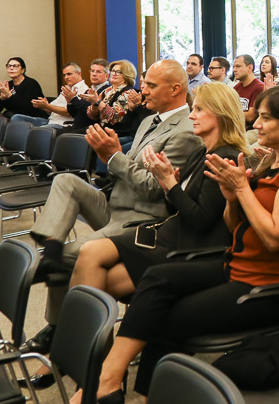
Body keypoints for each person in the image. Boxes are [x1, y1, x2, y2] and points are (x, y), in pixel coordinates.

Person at [73, 86, 279, 404]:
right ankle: (111, 380)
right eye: (259, 115)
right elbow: (237, 226)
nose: (257, 123)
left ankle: (132, 396)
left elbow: (276, 237)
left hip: (272, 287)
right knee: (157, 279)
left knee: (165, 318)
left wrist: (241, 190)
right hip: (238, 266)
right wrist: (233, 197)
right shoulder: (272, 161)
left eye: (266, 118)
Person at [23, 60, 204, 355]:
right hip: (117, 203)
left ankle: (60, 328)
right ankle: (51, 246)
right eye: (144, 83)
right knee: (67, 181)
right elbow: (127, 169)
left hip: (143, 218)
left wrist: (113, 157)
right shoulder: (149, 119)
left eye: (150, 85)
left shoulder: (185, 131)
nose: (142, 90)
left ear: (175, 89)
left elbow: (155, 190)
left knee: (73, 256)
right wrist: (111, 156)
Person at [63, 83, 246, 335]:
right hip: (170, 235)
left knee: (95, 277)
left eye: (199, 110)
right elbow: (175, 205)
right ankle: (84, 350)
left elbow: (200, 219)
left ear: (220, 115)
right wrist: (167, 180)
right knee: (90, 256)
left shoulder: (224, 158)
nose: (191, 115)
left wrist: (170, 183)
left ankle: (83, 350)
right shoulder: (202, 152)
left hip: (186, 246)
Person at [15, 62, 88, 128]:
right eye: (64, 75)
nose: (66, 77)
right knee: (16, 118)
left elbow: (69, 112)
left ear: (79, 73)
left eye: (69, 74)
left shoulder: (83, 90)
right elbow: (51, 109)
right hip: (49, 120)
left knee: (38, 131)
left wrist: (47, 106)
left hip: (62, 124)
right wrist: (41, 105)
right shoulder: (67, 88)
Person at [90, 60, 140, 135]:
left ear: (127, 75)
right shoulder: (106, 91)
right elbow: (92, 116)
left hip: (118, 133)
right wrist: (94, 105)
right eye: (113, 71)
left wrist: (98, 102)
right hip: (103, 130)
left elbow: (115, 118)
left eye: (119, 72)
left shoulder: (128, 92)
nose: (114, 74)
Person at [232, 55, 264, 126]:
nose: (234, 70)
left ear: (250, 67)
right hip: (237, 126)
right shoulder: (236, 88)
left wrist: (230, 113)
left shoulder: (259, 87)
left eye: (238, 66)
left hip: (251, 129)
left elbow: (251, 116)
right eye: (234, 67)